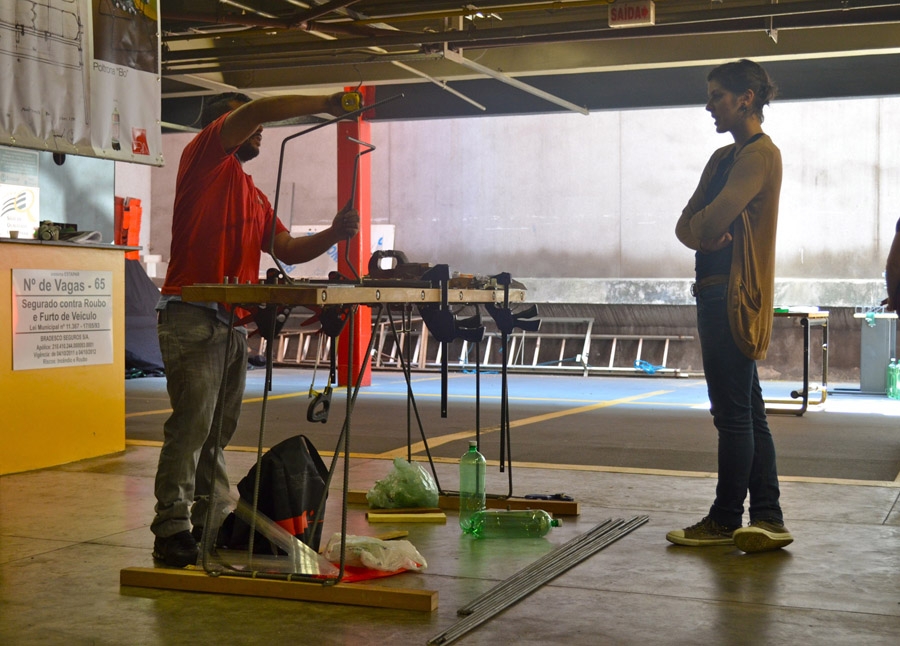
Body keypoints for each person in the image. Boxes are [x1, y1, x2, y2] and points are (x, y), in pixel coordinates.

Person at [151, 90, 362, 567]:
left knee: (215, 433)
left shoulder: (252, 194)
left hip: (231, 323)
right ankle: (171, 529)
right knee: (191, 428)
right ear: (224, 126)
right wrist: (327, 102)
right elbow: (260, 110)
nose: (262, 131)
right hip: (192, 314)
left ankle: (205, 525)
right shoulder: (204, 158)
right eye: (251, 124)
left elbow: (285, 248)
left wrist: (333, 233)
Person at [668, 60, 793, 553]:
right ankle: (768, 517)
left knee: (733, 414)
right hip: (713, 289)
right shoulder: (723, 157)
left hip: (733, 294)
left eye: (717, 95)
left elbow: (706, 220)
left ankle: (725, 519)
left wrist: (703, 228)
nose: (709, 105)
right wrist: (701, 229)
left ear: (746, 99)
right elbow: (684, 225)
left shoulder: (759, 155)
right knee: (748, 411)